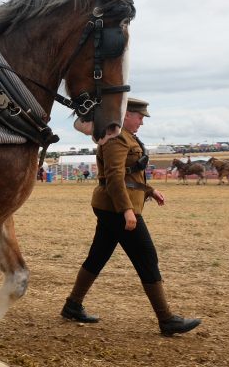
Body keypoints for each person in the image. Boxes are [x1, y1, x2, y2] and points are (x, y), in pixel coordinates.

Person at [60, 98, 201, 336]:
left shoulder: (128, 137)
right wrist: (127, 210)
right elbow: (114, 177)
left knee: (98, 255)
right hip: (116, 208)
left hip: (112, 206)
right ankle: (166, 319)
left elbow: (129, 173)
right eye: (140, 117)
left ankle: (72, 305)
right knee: (146, 255)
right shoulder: (116, 138)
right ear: (127, 115)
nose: (142, 122)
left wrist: (149, 190)